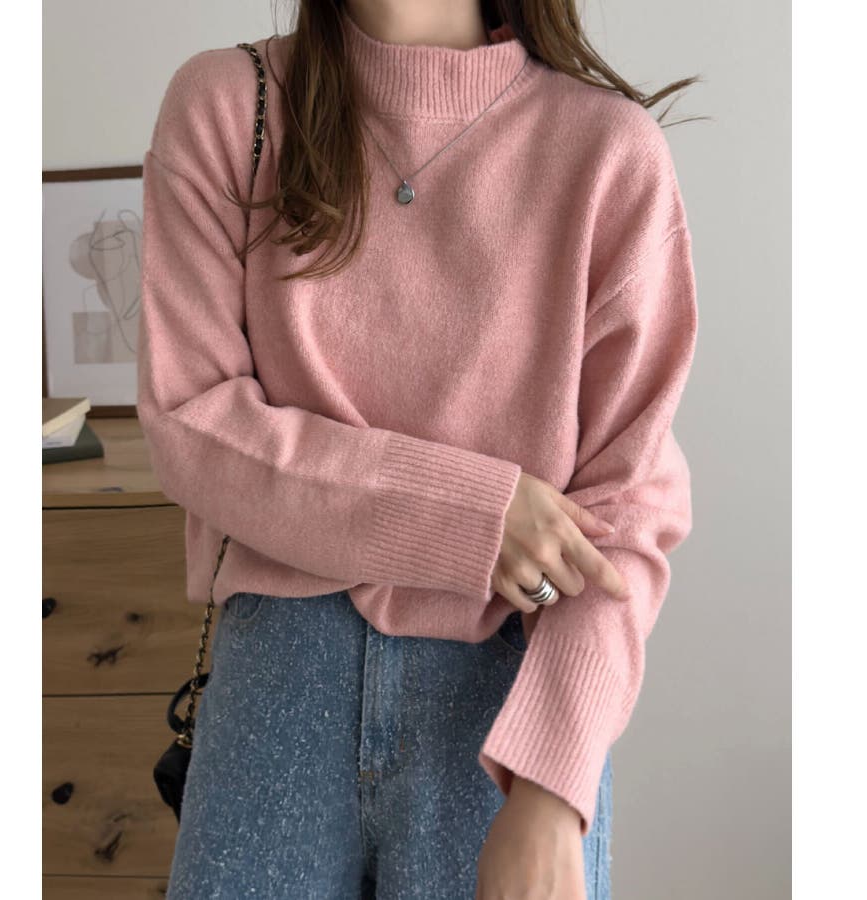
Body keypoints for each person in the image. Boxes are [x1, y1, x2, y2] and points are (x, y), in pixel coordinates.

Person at [137, 1, 700, 897]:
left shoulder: (606, 150)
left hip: (509, 699)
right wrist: (472, 517)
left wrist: (552, 782)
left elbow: (625, 512)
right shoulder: (231, 106)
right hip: (280, 681)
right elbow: (191, 421)